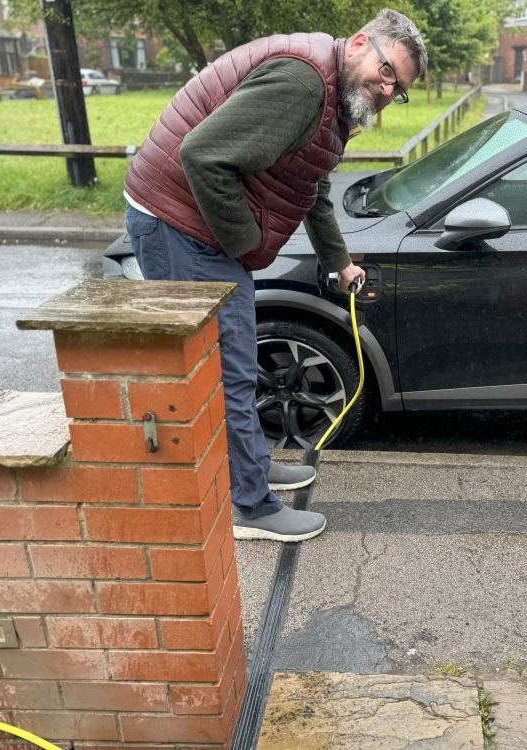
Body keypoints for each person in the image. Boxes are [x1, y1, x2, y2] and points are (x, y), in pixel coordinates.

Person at [123, 9, 428, 543]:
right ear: (359, 44)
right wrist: (246, 246)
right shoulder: (303, 82)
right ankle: (251, 507)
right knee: (230, 370)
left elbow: (310, 188)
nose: (385, 91)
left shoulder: (331, 98)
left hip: (194, 222)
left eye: (396, 88)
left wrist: (340, 262)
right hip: (178, 221)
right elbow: (204, 156)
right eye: (386, 73)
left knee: (236, 364)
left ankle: (253, 468)